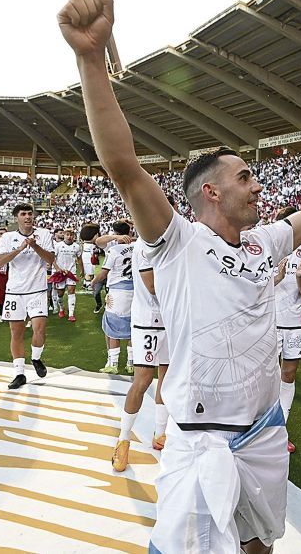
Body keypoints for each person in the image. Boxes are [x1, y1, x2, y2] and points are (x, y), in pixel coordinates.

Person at [59, 0, 301, 549]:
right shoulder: (178, 240)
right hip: (202, 437)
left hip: (265, 430)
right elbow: (124, 166)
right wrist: (90, 61)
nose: (258, 186)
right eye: (246, 177)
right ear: (211, 191)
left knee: (259, 544)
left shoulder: (266, 241)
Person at [113, 201, 176, 472]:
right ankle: (123, 439)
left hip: (170, 321)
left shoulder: (173, 242)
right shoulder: (144, 246)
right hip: (147, 322)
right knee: (142, 379)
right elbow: (152, 287)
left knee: (168, 376)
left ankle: (159, 433)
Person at [0, 203, 56, 389]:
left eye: (30, 213)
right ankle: (19, 373)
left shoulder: (43, 234)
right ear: (17, 218)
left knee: (39, 329)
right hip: (14, 291)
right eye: (23, 214)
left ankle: (36, 358)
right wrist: (20, 249)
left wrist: (35, 246)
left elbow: (51, 259)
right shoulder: (7, 237)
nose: (28, 217)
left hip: (37, 289)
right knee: (16, 332)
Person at [272, 206, 301, 453]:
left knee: (288, 374)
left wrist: (299, 275)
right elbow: (259, 286)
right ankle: (258, 428)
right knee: (267, 375)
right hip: (270, 321)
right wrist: (278, 275)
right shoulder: (267, 248)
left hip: (295, 323)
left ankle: (280, 429)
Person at [93, 221, 134, 374]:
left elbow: (103, 273)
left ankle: (113, 364)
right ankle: (131, 363)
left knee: (112, 327)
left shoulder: (114, 250)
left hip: (118, 291)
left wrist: (93, 281)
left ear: (115, 233)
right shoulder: (138, 246)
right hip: (136, 290)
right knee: (132, 326)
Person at [52, 228, 83, 321]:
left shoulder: (77, 246)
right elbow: (52, 258)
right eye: (67, 235)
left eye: (71, 235)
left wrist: (82, 269)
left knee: (71, 291)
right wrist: (57, 268)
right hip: (60, 272)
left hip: (71, 272)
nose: (69, 237)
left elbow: (79, 259)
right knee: (60, 294)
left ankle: (71, 314)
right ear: (64, 235)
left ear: (74, 236)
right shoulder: (58, 246)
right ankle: (61, 308)